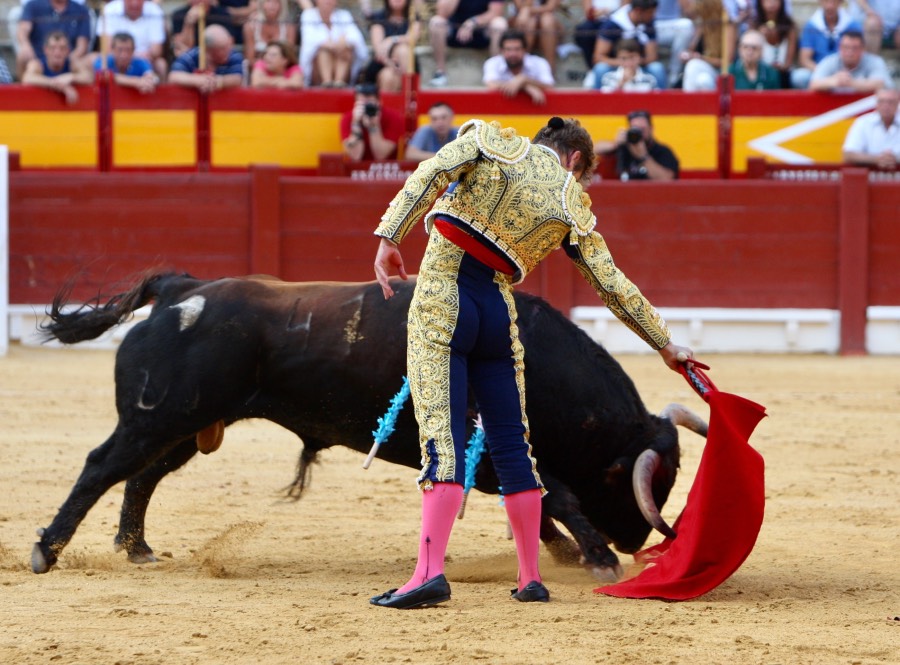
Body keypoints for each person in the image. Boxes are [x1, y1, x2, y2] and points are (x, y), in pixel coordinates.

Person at [370, 115, 694, 609]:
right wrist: (665, 344)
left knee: (443, 432)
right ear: (575, 159)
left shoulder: (490, 141)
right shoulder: (571, 202)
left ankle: (428, 573)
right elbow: (613, 284)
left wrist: (392, 234)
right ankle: (529, 577)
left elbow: (431, 172)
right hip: (499, 313)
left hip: (444, 295)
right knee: (512, 444)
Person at [587, 0, 667, 91]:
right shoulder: (612, 25)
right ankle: (597, 100)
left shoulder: (649, 24)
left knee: (657, 68)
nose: (653, 16)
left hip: (640, 66)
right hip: (615, 67)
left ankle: (663, 102)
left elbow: (652, 56)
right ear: (638, 11)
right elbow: (598, 57)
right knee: (600, 68)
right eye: (650, 12)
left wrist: (634, 62)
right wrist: (624, 62)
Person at [427, 0, 509, 87]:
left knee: (499, 24)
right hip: (455, 30)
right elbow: (442, 13)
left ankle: (495, 73)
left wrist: (473, 22)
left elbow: (495, 13)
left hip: (482, 31)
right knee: (436, 22)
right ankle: (440, 73)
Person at [794, 0, 862, 89]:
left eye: (834, 1)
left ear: (840, 2)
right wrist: (825, 73)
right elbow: (805, 59)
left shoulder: (852, 26)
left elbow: (860, 54)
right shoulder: (811, 26)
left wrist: (842, 75)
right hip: (818, 70)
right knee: (800, 77)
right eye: (826, 1)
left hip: (847, 73)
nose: (830, 6)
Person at [299, 0, 368, 87]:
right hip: (316, 68)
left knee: (345, 50)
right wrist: (333, 45)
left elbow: (355, 38)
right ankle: (327, 83)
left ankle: (339, 83)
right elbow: (310, 40)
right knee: (323, 51)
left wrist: (342, 44)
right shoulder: (308, 15)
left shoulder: (344, 15)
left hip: (341, 59)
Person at [595, 109, 679, 180]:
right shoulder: (623, 147)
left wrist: (643, 156)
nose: (639, 134)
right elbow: (592, 150)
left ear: (651, 129)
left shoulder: (662, 151)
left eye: (642, 129)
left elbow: (667, 180)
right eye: (635, 129)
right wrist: (615, 144)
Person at [16, 0, 91, 80]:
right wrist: (26, 46)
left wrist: (66, 60)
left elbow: (82, 46)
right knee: (23, 56)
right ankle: (22, 90)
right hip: (38, 57)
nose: (56, 52)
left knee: (89, 61)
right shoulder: (32, 5)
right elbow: (23, 30)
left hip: (68, 58)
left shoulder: (81, 9)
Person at [360, 0, 421, 93]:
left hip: (407, 64)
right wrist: (391, 64)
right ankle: (407, 97)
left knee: (403, 50)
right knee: (388, 76)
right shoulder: (378, 18)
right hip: (382, 64)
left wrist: (391, 40)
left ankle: (408, 94)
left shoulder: (413, 17)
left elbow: (412, 38)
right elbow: (379, 51)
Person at [99, 0, 168, 81]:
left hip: (146, 59)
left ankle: (161, 93)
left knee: (161, 64)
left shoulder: (155, 11)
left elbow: (156, 51)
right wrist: (136, 82)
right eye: (130, 0)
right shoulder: (109, 9)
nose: (134, 3)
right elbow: (107, 49)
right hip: (116, 58)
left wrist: (132, 57)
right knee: (95, 60)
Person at [483, 28, 555, 104]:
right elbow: (491, 84)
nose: (512, 54)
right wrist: (524, 85)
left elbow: (548, 85)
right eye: (508, 49)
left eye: (517, 49)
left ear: (525, 50)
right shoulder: (492, 63)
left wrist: (524, 79)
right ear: (502, 50)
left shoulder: (539, 63)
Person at [809, 29, 893, 93]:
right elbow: (813, 84)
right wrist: (834, 81)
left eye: (854, 48)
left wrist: (850, 83)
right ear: (839, 48)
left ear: (863, 49)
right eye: (846, 47)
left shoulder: (875, 61)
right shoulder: (829, 61)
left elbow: (881, 84)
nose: (849, 52)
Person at [22, 29, 93, 104]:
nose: (57, 52)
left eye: (62, 48)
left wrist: (71, 77)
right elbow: (27, 78)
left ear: (67, 51)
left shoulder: (72, 64)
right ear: (46, 50)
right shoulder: (37, 64)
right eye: (53, 48)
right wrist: (60, 86)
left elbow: (89, 77)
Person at [168, 24, 244, 92]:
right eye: (222, 49)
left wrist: (216, 82)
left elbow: (237, 78)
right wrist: (198, 81)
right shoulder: (191, 56)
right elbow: (173, 76)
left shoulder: (234, 55)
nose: (228, 50)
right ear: (208, 49)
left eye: (229, 45)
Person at [340, 82, 406, 161]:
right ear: (356, 104)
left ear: (379, 102)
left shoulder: (393, 117)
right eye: (362, 104)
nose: (366, 107)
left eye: (369, 104)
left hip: (386, 170)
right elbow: (355, 156)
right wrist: (356, 124)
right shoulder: (348, 118)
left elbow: (381, 156)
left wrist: (373, 126)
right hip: (356, 170)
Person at [842, 88, 899, 169]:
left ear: (898, 103)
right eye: (881, 101)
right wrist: (876, 159)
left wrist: (896, 159)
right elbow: (848, 155)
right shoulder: (863, 122)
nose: (886, 106)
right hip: (868, 176)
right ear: (876, 104)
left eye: (891, 102)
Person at [751, 0, 798, 88]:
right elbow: (750, 58)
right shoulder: (754, 25)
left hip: (783, 75)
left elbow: (788, 63)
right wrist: (758, 36)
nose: (771, 3)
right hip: (760, 75)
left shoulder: (789, 26)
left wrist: (780, 68)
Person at [509, 0, 565, 72]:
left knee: (547, 20)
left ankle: (550, 69)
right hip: (523, 22)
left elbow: (551, 7)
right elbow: (520, 8)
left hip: (546, 23)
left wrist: (529, 10)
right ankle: (521, 66)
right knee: (530, 22)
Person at [171, 0, 240, 58]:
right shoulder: (179, 15)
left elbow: (228, 44)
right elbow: (181, 47)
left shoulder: (222, 14)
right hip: (191, 59)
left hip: (216, 58)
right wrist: (189, 23)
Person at [242, 0, 297, 66]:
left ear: (282, 5)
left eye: (276, 2)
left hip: (282, 70)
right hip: (257, 70)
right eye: (268, 1)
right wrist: (266, 68)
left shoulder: (289, 28)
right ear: (261, 4)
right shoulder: (251, 27)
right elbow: (250, 59)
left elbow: (290, 57)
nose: (272, 5)